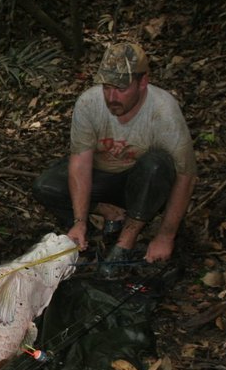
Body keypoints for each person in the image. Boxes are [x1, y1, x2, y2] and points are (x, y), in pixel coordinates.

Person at [32, 41, 197, 278]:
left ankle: (126, 241)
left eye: (121, 88)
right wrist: (80, 222)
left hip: (142, 184)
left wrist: (165, 236)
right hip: (103, 178)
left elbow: (186, 176)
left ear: (142, 82)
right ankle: (110, 213)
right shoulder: (89, 104)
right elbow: (80, 164)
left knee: (156, 164)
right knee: (46, 186)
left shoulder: (163, 110)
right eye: (107, 87)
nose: (112, 97)